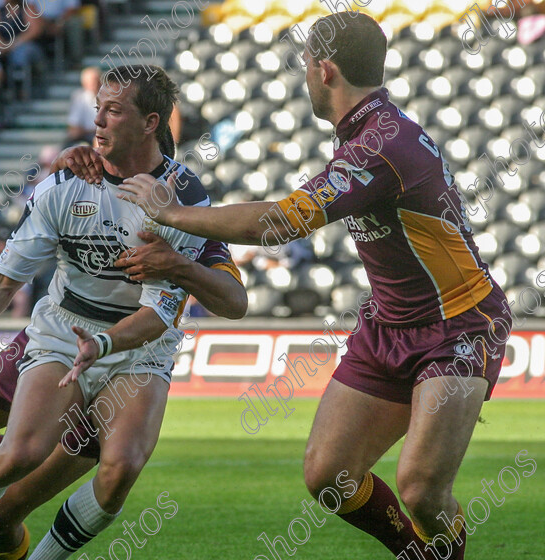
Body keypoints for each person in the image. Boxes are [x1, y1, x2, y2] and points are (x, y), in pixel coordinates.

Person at [118, 12, 511, 560]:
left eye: (304, 64)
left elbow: (277, 223)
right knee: (330, 474)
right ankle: (415, 555)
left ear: (325, 70)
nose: (303, 75)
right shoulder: (369, 133)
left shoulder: (380, 144)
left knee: (422, 490)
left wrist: (172, 212)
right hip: (389, 324)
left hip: (460, 326)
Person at [0, 64, 239, 560]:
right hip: (63, 331)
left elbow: (177, 311)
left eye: (113, 111)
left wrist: (107, 343)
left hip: (138, 348)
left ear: (151, 122)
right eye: (98, 110)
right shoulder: (65, 181)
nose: (99, 122)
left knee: (118, 468)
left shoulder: (183, 201)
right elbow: (3, 280)